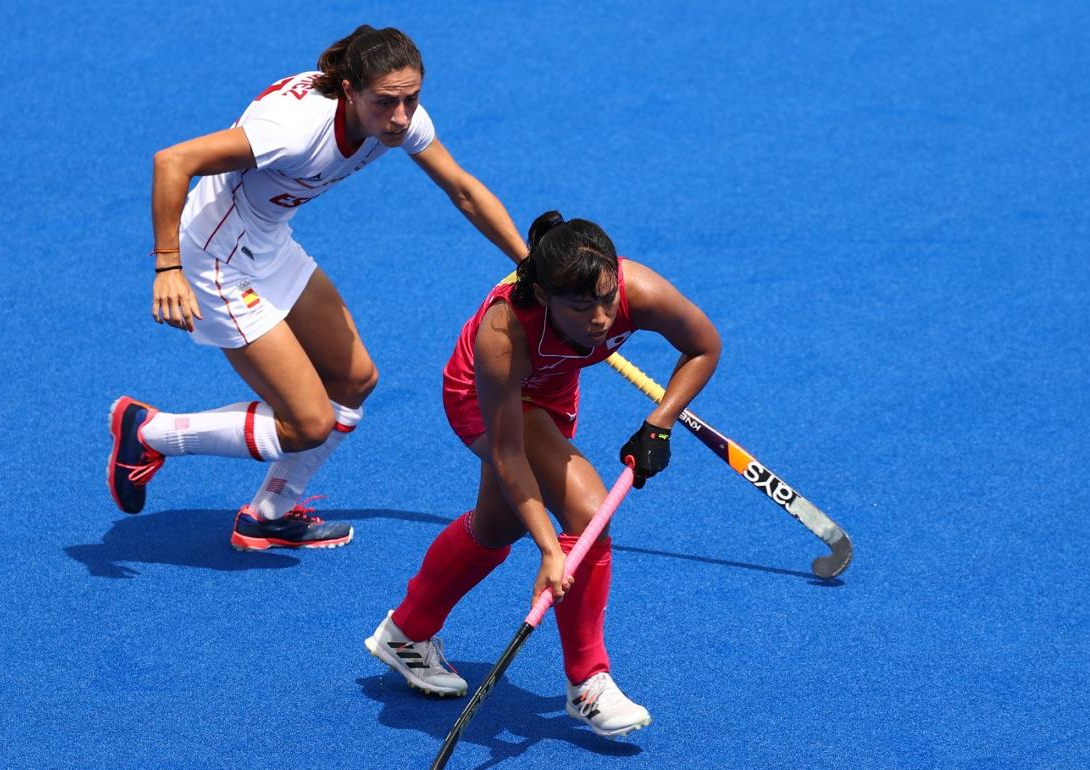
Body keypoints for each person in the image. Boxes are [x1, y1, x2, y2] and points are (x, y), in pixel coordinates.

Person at [106, 25, 528, 549]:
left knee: (355, 381)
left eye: (411, 99)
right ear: (350, 90)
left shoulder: (400, 120)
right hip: (214, 259)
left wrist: (529, 263)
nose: (400, 117)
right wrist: (167, 267)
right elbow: (172, 161)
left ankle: (267, 515)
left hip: (267, 240)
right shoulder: (295, 130)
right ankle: (148, 432)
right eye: (386, 103)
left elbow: (463, 190)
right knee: (308, 423)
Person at [364, 211, 722, 739]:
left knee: (497, 526)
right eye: (582, 308)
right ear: (548, 297)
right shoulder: (503, 331)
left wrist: (659, 424)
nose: (601, 318)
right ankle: (588, 682)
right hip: (483, 396)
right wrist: (552, 552)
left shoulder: (634, 289)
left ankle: (406, 631)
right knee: (587, 511)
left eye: (606, 298)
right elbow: (510, 455)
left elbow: (704, 346)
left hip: (552, 389)